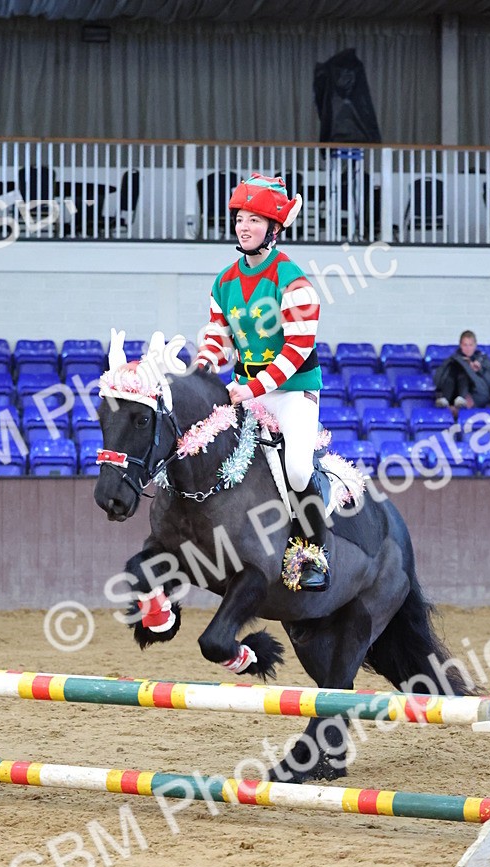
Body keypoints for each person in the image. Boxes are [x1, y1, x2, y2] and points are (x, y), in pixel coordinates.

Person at [194, 174, 329, 591]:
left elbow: (295, 352)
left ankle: (313, 554)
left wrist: (252, 389)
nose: (243, 227)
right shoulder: (224, 280)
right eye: (240, 219)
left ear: (274, 228)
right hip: (245, 391)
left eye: (254, 219)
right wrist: (203, 364)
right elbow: (219, 336)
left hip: (292, 393)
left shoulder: (295, 283)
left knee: (299, 469)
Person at [434, 331, 490, 413]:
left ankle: (460, 402)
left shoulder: (484, 361)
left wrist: (479, 370)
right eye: (465, 345)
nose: (468, 348)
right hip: (452, 397)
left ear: (475, 345)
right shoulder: (452, 360)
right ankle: (452, 401)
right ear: (460, 345)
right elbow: (437, 380)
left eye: (470, 345)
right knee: (458, 366)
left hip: (478, 397)